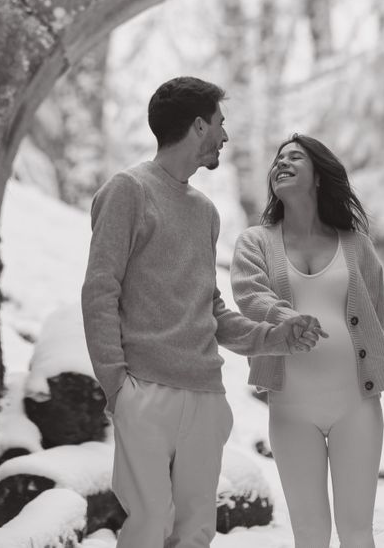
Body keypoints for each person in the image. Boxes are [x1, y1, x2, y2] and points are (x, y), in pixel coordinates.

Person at [81, 77, 325, 548]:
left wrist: (277, 335)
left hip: (205, 396)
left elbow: (209, 309)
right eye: (220, 123)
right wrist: (116, 386)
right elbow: (99, 291)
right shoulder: (127, 191)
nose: (225, 136)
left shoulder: (205, 212)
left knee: (195, 532)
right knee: (149, 525)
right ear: (198, 126)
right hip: (144, 390)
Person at [230, 133, 384, 548]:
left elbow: (373, 315)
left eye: (295, 157)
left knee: (357, 533)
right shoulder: (256, 241)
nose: (281, 163)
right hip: (291, 409)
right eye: (277, 159)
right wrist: (287, 317)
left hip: (356, 404)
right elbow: (249, 294)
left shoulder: (357, 246)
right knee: (310, 535)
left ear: (319, 175)